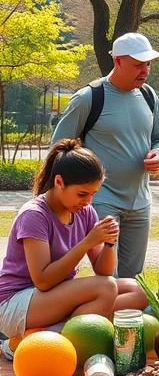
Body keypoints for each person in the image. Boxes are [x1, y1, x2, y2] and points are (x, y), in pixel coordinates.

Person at [0, 140, 146, 360]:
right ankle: (36, 345)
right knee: (105, 288)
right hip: (16, 303)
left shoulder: (84, 212)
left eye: (93, 194)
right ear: (59, 182)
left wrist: (108, 242)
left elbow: (103, 271)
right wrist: (87, 242)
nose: (88, 202)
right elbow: (42, 280)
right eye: (82, 194)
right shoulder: (34, 215)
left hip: (52, 297)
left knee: (137, 290)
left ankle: (43, 335)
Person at [51, 32, 159, 278]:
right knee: (108, 276)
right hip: (102, 200)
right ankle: (104, 318)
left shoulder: (149, 96)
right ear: (117, 61)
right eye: (138, 64)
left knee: (134, 278)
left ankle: (128, 318)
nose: (145, 71)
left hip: (141, 200)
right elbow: (59, 148)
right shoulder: (89, 97)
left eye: (148, 64)